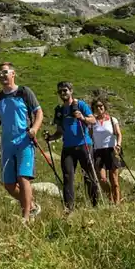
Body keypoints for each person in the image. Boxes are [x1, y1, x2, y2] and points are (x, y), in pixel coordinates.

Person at [0, 62, 44, 222]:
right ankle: (33, 207)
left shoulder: (24, 92)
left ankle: (26, 216)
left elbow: (39, 112)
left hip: (24, 141)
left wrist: (34, 129)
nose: (2, 76)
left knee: (23, 178)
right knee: (8, 184)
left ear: (13, 73)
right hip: (7, 144)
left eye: (5, 72)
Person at [45, 81, 99, 212]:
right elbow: (60, 131)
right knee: (68, 176)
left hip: (84, 144)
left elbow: (93, 120)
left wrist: (82, 117)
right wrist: (51, 137)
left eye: (65, 90)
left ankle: (94, 204)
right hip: (68, 147)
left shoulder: (80, 105)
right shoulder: (59, 110)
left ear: (71, 91)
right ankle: (69, 208)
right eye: (60, 91)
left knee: (89, 175)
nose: (63, 93)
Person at [89, 98, 123, 204]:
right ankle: (110, 198)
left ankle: (117, 203)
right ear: (93, 108)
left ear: (104, 107)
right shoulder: (92, 122)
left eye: (101, 106)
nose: (99, 108)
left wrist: (118, 145)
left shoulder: (112, 120)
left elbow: (118, 133)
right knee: (102, 179)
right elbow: (90, 136)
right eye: (96, 106)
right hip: (98, 152)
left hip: (112, 150)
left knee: (114, 179)